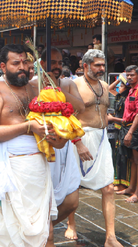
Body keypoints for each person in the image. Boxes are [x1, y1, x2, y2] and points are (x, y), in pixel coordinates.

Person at [0, 44, 65, 247]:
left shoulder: (37, 89)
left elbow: (55, 127)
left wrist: (58, 137)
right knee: (7, 233)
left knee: (47, 231)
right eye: (16, 63)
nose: (22, 67)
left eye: (25, 62)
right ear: (3, 66)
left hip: (38, 170)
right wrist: (28, 126)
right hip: (9, 170)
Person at [30, 47, 85, 240]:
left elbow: (80, 107)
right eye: (52, 62)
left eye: (60, 62)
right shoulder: (33, 84)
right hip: (44, 145)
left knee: (72, 201)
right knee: (44, 198)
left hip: (66, 145)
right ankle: (42, 234)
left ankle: (39, 230)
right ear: (42, 64)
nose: (57, 66)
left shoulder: (67, 83)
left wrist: (56, 90)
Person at [71, 49, 123, 247]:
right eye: (98, 65)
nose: (102, 68)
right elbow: (69, 117)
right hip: (81, 137)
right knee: (73, 185)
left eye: (103, 65)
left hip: (102, 138)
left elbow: (104, 112)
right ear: (85, 66)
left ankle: (110, 236)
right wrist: (78, 143)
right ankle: (71, 224)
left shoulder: (104, 86)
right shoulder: (74, 86)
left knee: (108, 187)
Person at [116, 65, 138, 203]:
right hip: (128, 127)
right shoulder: (130, 90)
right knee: (132, 160)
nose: (129, 77)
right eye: (127, 75)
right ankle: (131, 188)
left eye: (132, 75)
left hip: (136, 129)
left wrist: (130, 133)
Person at [107, 75, 131, 191]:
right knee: (116, 156)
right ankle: (118, 182)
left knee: (123, 157)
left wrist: (112, 119)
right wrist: (119, 79)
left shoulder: (127, 99)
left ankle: (123, 183)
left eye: (121, 86)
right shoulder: (119, 96)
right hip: (117, 130)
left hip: (124, 129)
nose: (118, 88)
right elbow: (109, 89)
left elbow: (128, 119)